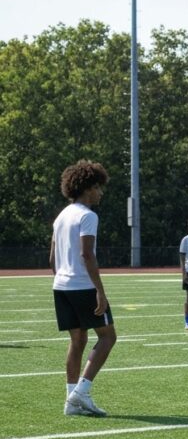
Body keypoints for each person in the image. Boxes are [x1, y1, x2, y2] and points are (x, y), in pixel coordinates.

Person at [51, 160, 115, 417]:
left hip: (61, 285)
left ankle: (70, 400)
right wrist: (99, 290)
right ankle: (82, 391)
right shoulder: (88, 215)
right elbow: (87, 254)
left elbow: (52, 258)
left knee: (77, 340)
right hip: (83, 285)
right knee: (108, 337)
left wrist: (64, 279)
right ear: (87, 187)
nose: (100, 193)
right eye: (98, 187)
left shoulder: (61, 216)